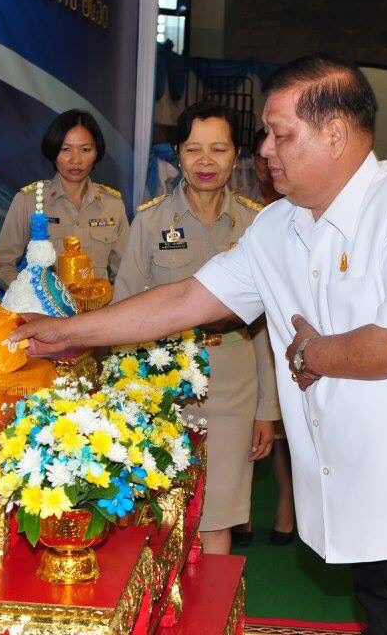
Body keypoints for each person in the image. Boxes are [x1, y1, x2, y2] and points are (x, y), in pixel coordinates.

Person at [11, 55, 387, 635]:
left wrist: (313, 354)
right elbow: (186, 299)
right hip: (370, 513)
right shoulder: (277, 228)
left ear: (334, 133)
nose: (264, 149)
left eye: (280, 134)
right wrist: (65, 333)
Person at [113, 100, 279, 556]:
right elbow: (125, 308)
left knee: (218, 519)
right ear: (177, 155)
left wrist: (267, 408)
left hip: (232, 390)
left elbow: (268, 325)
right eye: (193, 149)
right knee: (160, 516)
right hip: (163, 390)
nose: (206, 161)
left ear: (237, 155)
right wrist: (127, 397)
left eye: (218, 149)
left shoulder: (256, 224)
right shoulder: (149, 222)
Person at [232, 128, 295, 548]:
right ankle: (240, 514)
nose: (266, 159)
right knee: (248, 432)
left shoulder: (298, 205)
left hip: (287, 331)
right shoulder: (248, 209)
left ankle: (287, 506)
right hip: (246, 326)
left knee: (284, 436)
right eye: (259, 154)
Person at [0, 109, 129, 289]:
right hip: (47, 313)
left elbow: (127, 273)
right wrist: (30, 295)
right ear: (53, 151)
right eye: (66, 149)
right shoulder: (29, 201)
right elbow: (1, 264)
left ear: (97, 152)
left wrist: (109, 298)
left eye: (85, 149)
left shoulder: (112, 205)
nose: (76, 159)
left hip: (100, 313)